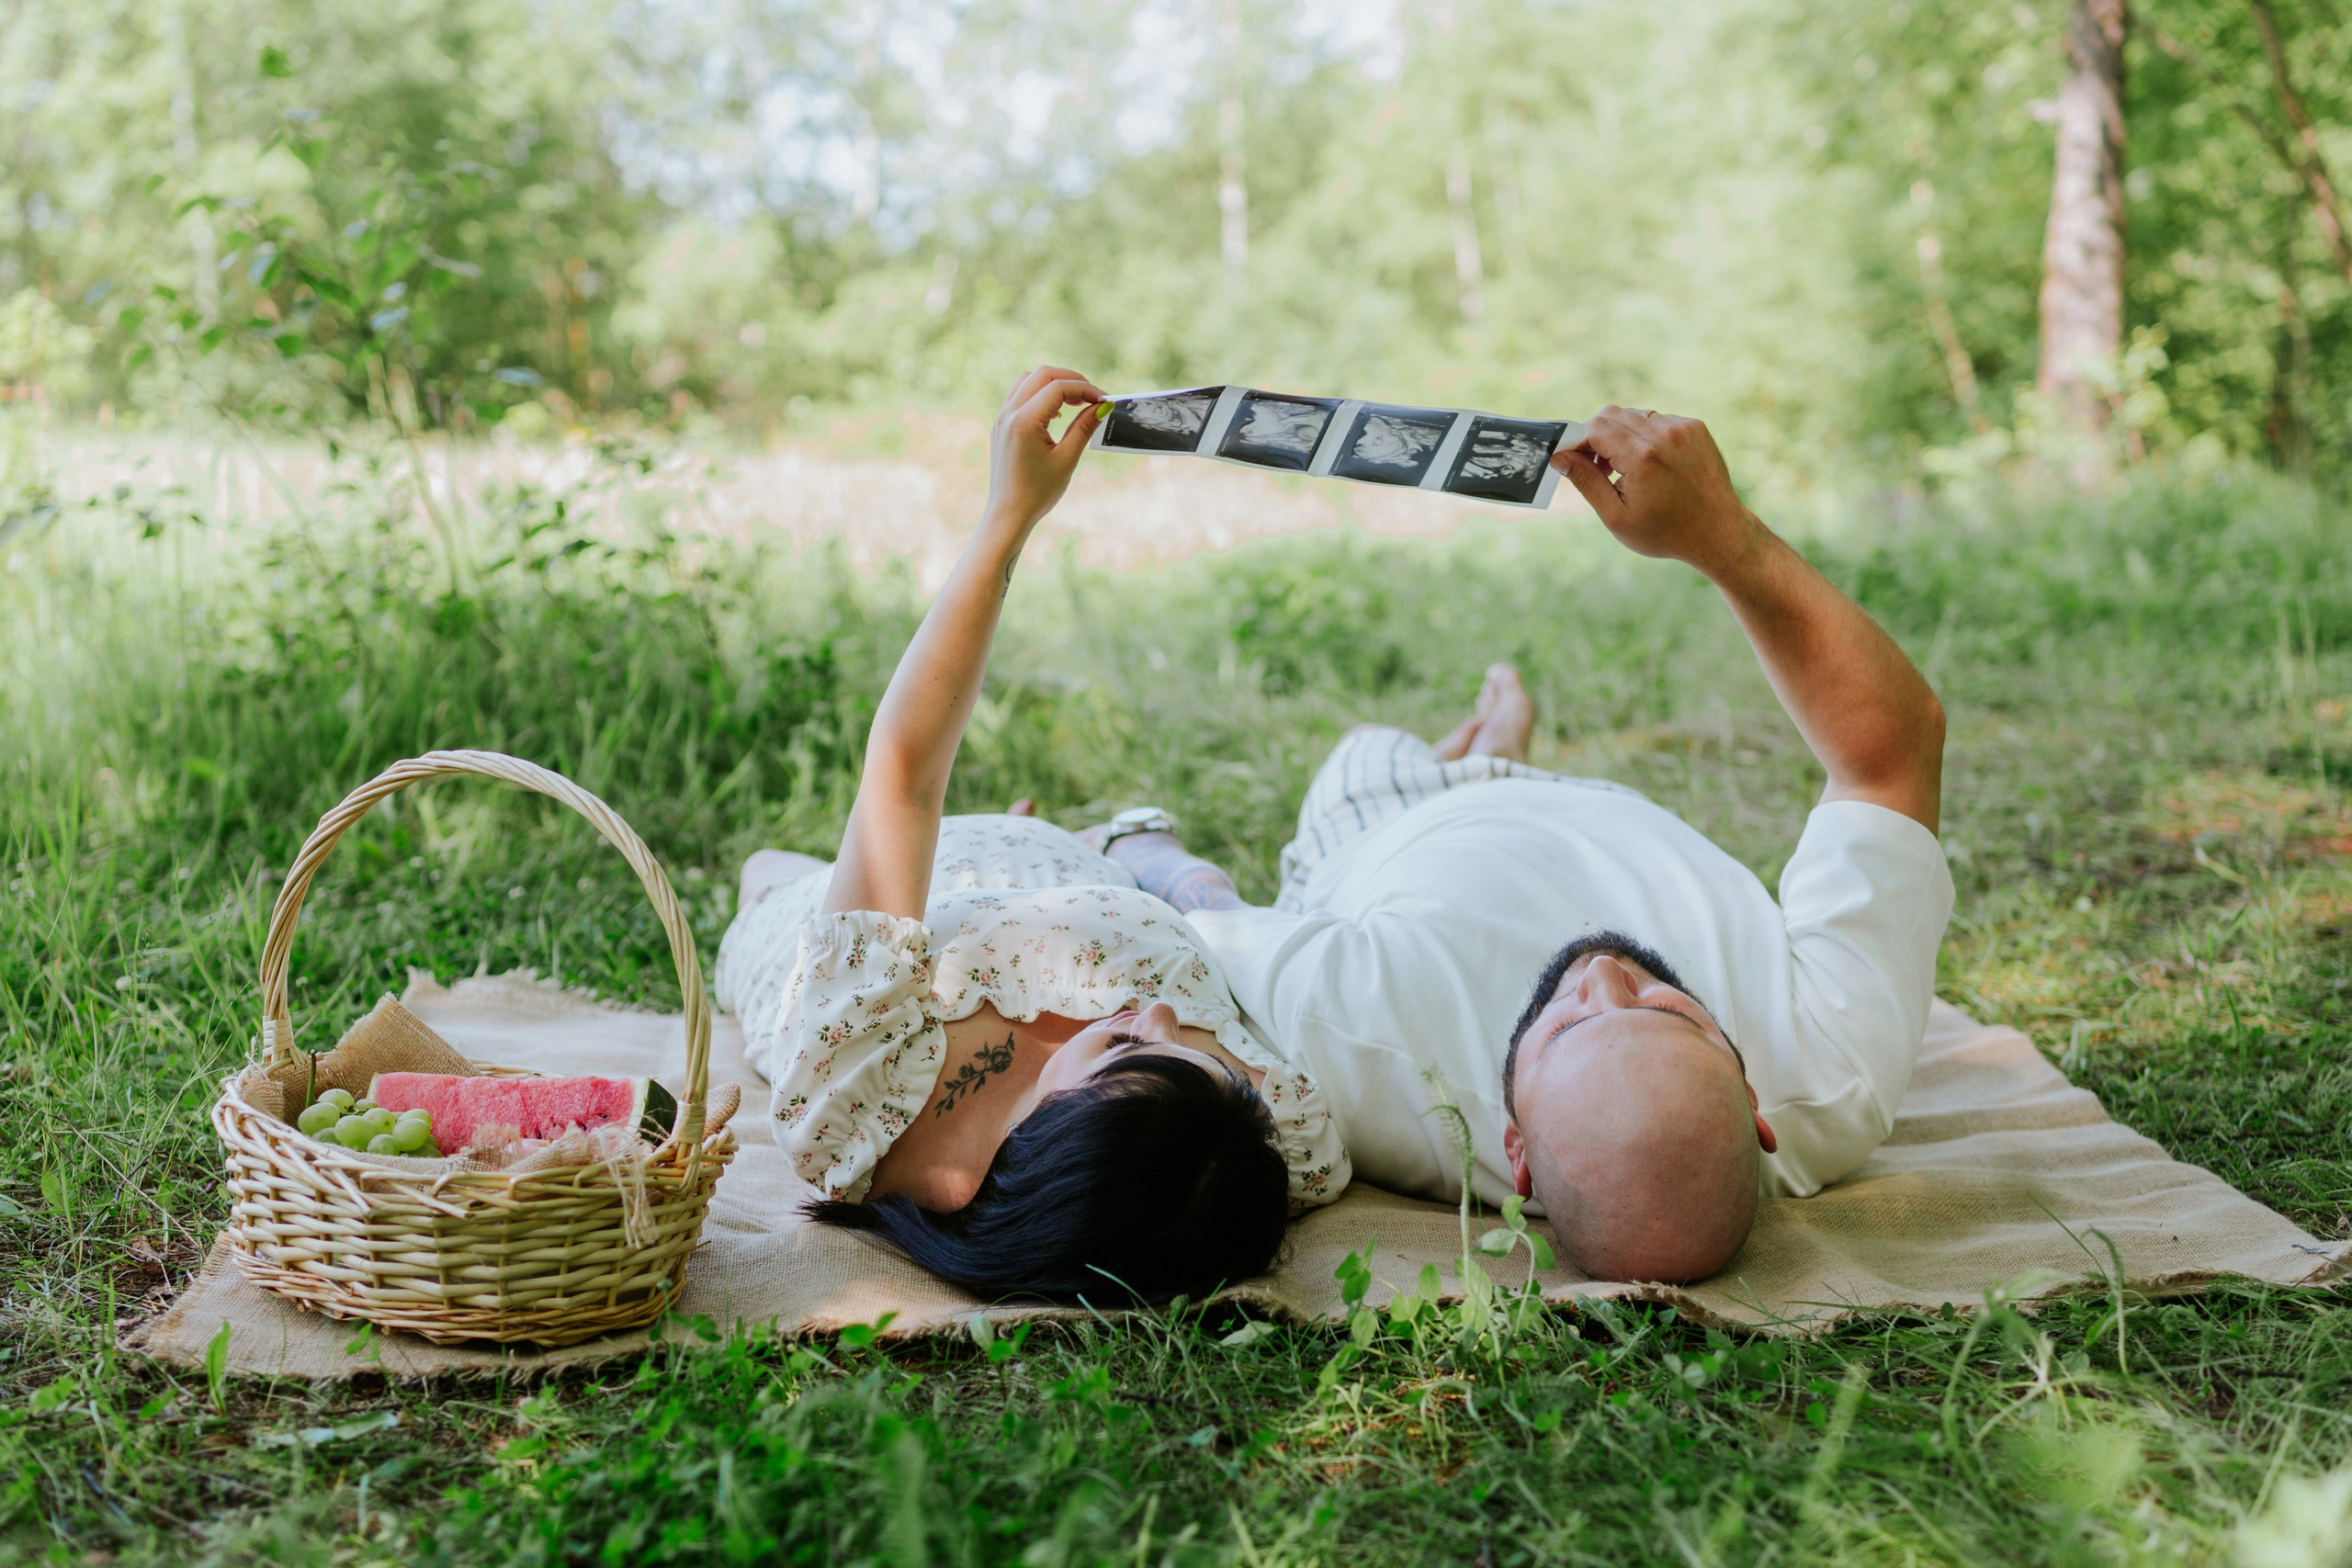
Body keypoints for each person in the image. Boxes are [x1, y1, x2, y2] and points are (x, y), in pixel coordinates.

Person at [1100, 408, 1952, 1285]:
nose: (1603, 973)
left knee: (1368, 748)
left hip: (1393, 826)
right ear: (1755, 1110)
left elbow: (1211, 914)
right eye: (1672, 1013)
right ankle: (1505, 756)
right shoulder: (1833, 1073)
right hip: (1602, 817)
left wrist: (1139, 843)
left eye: (1570, 1026)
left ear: (1516, 1151)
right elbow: (1891, 758)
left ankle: (1484, 756)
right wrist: (1718, 534)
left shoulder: (1365, 1046)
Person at [712, 365, 1348, 1305]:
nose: (1162, 1020)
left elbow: (905, 779)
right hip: (1051, 878)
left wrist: (1007, 519)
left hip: (852, 916)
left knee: (769, 869)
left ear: (1023, 1160)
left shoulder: (857, 1100)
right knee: (1139, 873)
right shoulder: (1261, 1138)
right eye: (1206, 1068)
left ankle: (1049, 847)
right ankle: (1081, 845)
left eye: (1128, 1050)